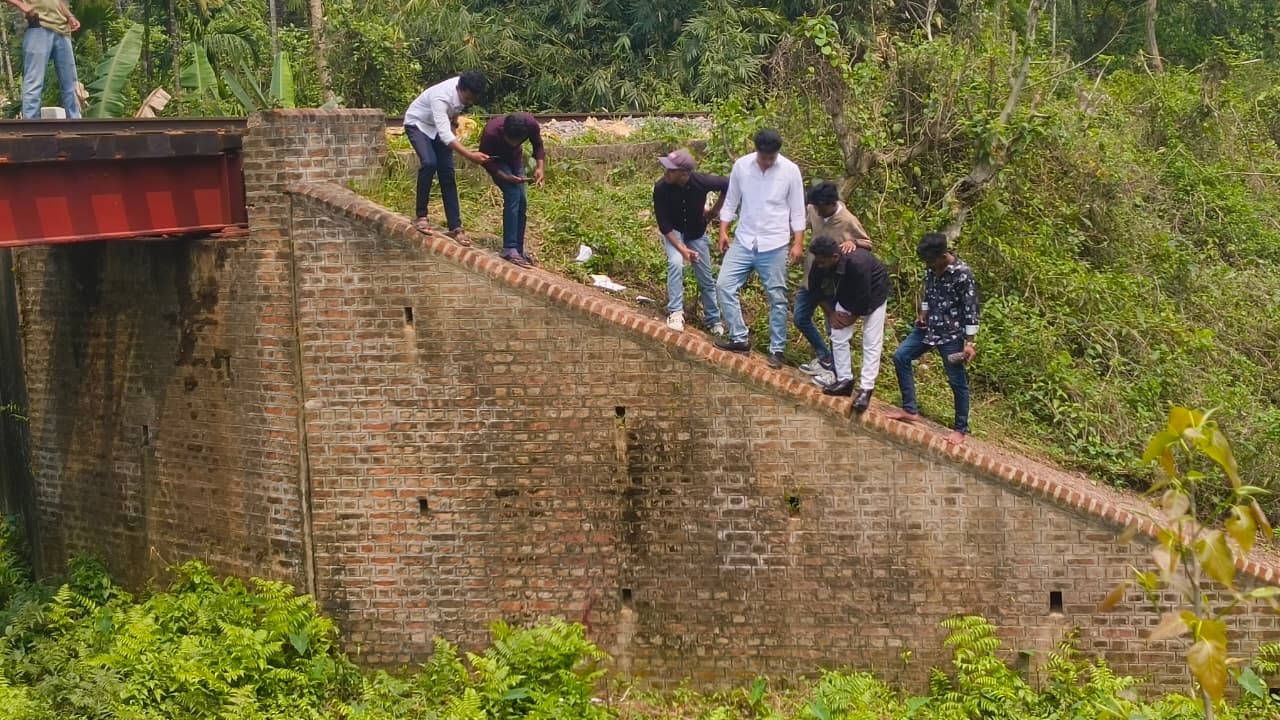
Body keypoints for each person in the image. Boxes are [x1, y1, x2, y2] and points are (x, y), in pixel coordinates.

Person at [715, 129, 806, 368]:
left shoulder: (790, 171)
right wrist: (723, 230)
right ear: (756, 150)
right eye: (763, 156)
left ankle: (777, 349)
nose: (766, 161)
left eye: (771, 157)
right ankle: (739, 337)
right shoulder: (742, 167)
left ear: (777, 153)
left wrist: (798, 243)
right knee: (724, 285)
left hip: (774, 243)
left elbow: (797, 209)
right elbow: (732, 199)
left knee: (776, 297)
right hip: (744, 239)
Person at [887, 233, 981, 444]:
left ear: (942, 255)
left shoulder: (963, 274)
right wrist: (923, 313)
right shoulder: (930, 268)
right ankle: (910, 409)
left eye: (931, 261)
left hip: (951, 333)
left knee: (957, 381)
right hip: (928, 328)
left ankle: (960, 429)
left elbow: (971, 309)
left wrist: (970, 342)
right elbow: (928, 293)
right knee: (901, 356)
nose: (929, 266)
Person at [796, 181, 873, 385]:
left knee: (834, 326)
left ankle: (836, 372)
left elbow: (868, 243)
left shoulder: (847, 220)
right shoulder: (813, 209)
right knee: (800, 317)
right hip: (811, 277)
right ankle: (824, 357)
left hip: (833, 282)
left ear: (831, 203)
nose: (816, 211)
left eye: (820, 207)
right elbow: (799, 225)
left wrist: (853, 242)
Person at [403, 70, 490, 245]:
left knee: (447, 173)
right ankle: (421, 216)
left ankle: (455, 227)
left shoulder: (465, 85)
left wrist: (454, 122)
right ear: (460, 89)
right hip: (418, 124)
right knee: (429, 163)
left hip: (437, 127)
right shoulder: (441, 97)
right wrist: (470, 156)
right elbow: (445, 136)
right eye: (467, 99)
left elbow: (454, 115)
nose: (469, 102)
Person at [806, 236, 889, 413]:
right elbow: (814, 289)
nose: (818, 265)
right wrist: (831, 314)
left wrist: (852, 318)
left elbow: (864, 296)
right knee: (838, 334)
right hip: (846, 293)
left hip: (875, 291)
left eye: (822, 263)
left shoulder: (857, 263)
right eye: (817, 262)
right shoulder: (820, 262)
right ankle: (845, 381)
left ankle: (866, 389)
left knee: (871, 341)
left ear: (835, 257)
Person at [652, 149, 728, 335]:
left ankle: (713, 319)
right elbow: (664, 225)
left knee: (705, 275)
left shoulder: (702, 182)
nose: (666, 173)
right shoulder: (661, 188)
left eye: (671, 170)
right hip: (674, 232)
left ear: (684, 173)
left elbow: (728, 184)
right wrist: (681, 248)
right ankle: (676, 312)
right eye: (666, 169)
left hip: (696, 232)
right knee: (676, 263)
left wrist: (714, 212)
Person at [478, 112, 546, 268]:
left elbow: (538, 144)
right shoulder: (491, 132)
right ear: (504, 132)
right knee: (513, 194)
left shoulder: (530, 124)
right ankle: (509, 248)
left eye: (518, 141)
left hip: (515, 161)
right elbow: (485, 161)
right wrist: (505, 177)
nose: (514, 144)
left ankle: (519, 249)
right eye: (511, 141)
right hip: (496, 161)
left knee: (522, 201)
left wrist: (540, 168)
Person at [5, 0, 81, 119]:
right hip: (38, 26)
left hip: (62, 30)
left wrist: (70, 16)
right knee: (34, 81)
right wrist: (21, 5)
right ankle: (31, 123)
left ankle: (75, 120)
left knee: (70, 82)